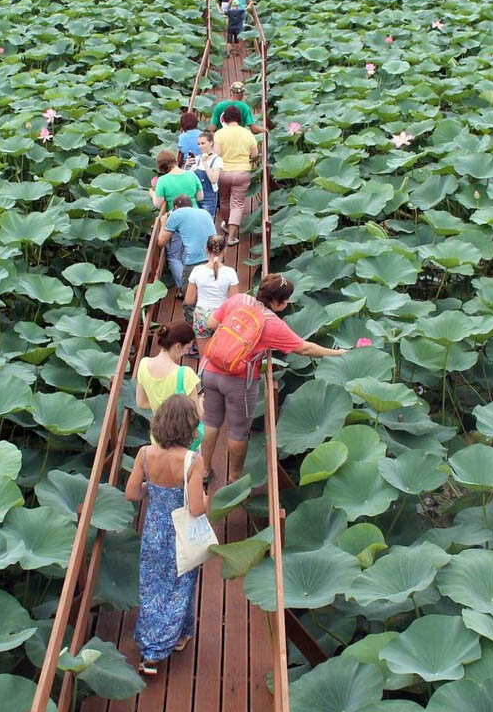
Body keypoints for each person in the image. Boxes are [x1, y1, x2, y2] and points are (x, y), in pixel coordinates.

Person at [200, 274, 348, 487]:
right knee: (237, 431)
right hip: (238, 381)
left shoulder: (238, 299)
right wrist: (337, 353)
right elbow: (304, 348)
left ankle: (204, 469)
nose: (288, 303)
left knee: (211, 422)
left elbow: (212, 322)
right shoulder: (271, 324)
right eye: (286, 300)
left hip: (210, 369)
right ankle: (234, 478)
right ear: (276, 301)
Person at [126, 393, 208, 675]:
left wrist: (154, 491)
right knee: (179, 588)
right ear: (189, 427)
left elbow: (131, 493)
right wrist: (206, 498)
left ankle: (181, 633)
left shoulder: (144, 455)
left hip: (153, 531)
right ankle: (153, 652)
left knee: (153, 589)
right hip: (181, 533)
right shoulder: (192, 461)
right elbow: (197, 508)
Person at [136, 321, 204, 447]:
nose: (187, 352)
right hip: (183, 441)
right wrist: (202, 402)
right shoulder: (185, 374)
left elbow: (141, 402)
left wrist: (161, 403)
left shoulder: (143, 364)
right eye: (187, 348)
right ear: (178, 346)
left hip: (158, 439)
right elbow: (196, 415)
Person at [185, 235, 239, 353]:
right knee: (222, 354)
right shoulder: (230, 273)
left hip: (201, 315)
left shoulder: (197, 271)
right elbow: (235, 301)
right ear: (225, 250)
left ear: (206, 249)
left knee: (204, 357)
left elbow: (189, 300)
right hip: (221, 316)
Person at [212, 105, 257, 246]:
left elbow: (217, 153)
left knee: (224, 200)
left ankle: (225, 223)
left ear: (224, 119)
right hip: (242, 172)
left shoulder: (219, 134)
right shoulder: (247, 133)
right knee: (237, 204)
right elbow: (255, 154)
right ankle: (231, 237)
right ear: (239, 119)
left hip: (223, 172)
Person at [158, 196, 216, 295]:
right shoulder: (204, 212)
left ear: (175, 207)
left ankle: (183, 292)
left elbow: (161, 242)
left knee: (188, 295)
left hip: (195, 259)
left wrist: (163, 223)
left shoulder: (176, 214)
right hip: (214, 255)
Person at [192, 131, 222, 220]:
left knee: (207, 222)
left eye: (203, 143)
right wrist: (187, 166)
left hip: (209, 197)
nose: (200, 146)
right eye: (198, 144)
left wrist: (205, 163)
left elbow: (213, 179)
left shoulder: (217, 160)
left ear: (211, 143)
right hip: (196, 196)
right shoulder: (197, 159)